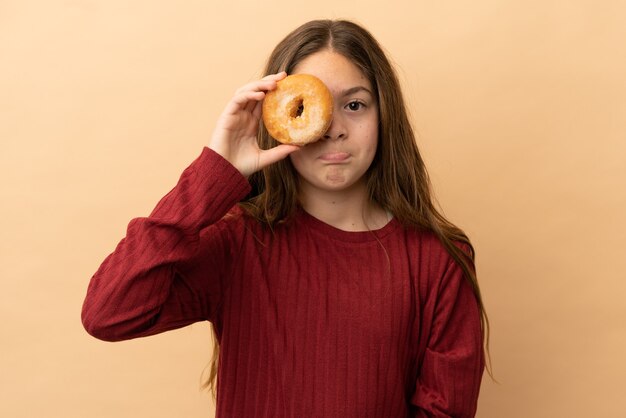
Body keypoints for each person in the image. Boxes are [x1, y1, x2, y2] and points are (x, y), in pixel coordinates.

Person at [82, 19, 488, 418]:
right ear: (276, 118)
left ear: (385, 117)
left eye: (354, 105)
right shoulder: (236, 244)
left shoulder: (438, 259)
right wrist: (215, 171)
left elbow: (444, 410)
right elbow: (108, 314)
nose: (334, 130)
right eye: (313, 106)